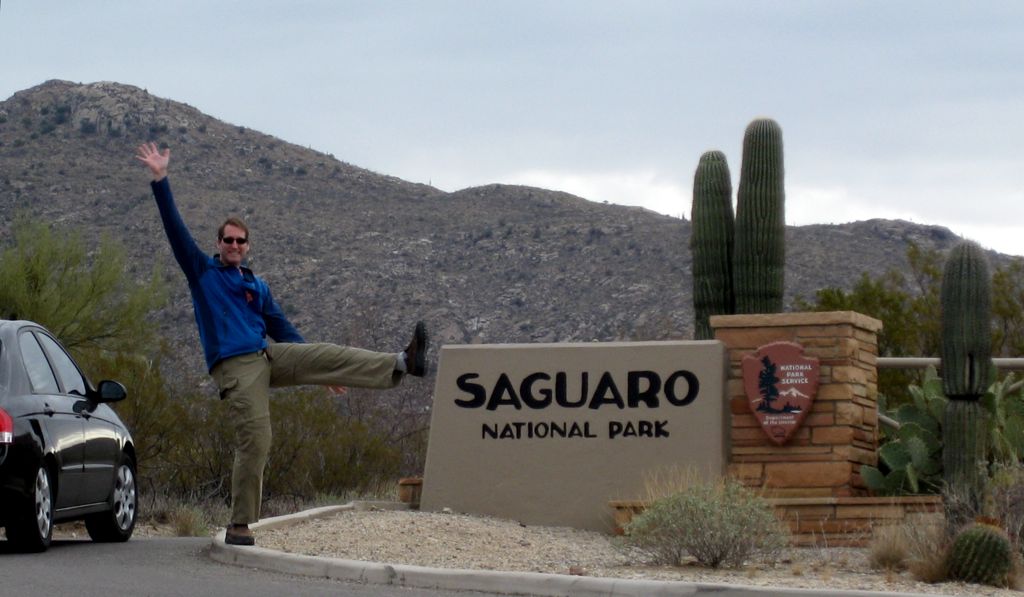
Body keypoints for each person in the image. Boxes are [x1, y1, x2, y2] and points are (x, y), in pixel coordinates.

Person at [135, 142, 428, 546]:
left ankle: (401, 361)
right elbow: (174, 228)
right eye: (228, 240)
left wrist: (320, 372)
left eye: (241, 241)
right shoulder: (203, 273)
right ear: (218, 243)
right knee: (257, 438)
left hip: (267, 355)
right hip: (235, 366)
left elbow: (283, 328)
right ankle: (239, 525)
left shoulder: (257, 285)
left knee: (329, 354)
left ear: (248, 245)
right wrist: (160, 178)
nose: (234, 246)